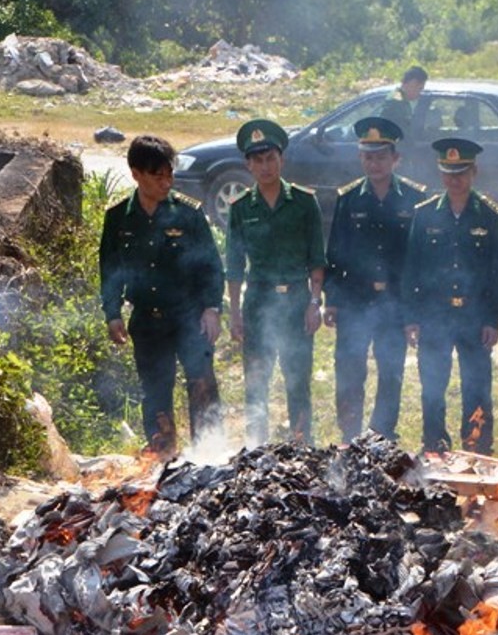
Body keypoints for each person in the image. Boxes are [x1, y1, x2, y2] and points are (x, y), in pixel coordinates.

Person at [98, 135, 224, 457]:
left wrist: (212, 308)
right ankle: (163, 457)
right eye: (158, 176)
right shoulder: (118, 219)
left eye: (170, 174)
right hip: (148, 321)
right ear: (136, 173)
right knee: (154, 392)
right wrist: (112, 313)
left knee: (202, 386)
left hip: (189, 318)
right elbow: (109, 268)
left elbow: (211, 266)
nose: (167, 182)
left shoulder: (188, 215)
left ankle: (210, 456)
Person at [402, 138, 498, 455]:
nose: (454, 179)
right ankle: (434, 444)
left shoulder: (491, 216)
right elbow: (411, 268)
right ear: (440, 173)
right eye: (448, 172)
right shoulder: (424, 215)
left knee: (477, 386)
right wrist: (411, 317)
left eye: (461, 172)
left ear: (474, 171)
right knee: (433, 386)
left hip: (475, 317)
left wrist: (494, 318)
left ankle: (477, 446)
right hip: (433, 316)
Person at [324, 117, 427, 443]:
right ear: (360, 158)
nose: (375, 163)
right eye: (368, 156)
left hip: (395, 302)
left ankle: (381, 435)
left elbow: (419, 259)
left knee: (391, 371)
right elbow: (335, 254)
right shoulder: (349, 198)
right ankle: (350, 434)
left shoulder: (415, 198)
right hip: (355, 301)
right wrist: (333, 299)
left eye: (381, 156)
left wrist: (413, 311)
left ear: (395, 159)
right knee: (349, 368)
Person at [225, 119, 327, 445]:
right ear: (248, 164)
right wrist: (236, 313)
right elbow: (234, 266)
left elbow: (317, 259)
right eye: (258, 160)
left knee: (298, 381)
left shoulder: (303, 202)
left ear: (281, 159)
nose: (265, 166)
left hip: (297, 300)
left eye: (271, 158)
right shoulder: (241, 208)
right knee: (256, 381)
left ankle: (302, 446)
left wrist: (314, 303)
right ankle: (257, 449)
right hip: (258, 301)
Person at [379, 65, 428, 134]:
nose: (419, 93)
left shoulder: (403, 101)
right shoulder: (396, 102)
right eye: (419, 88)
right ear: (411, 83)